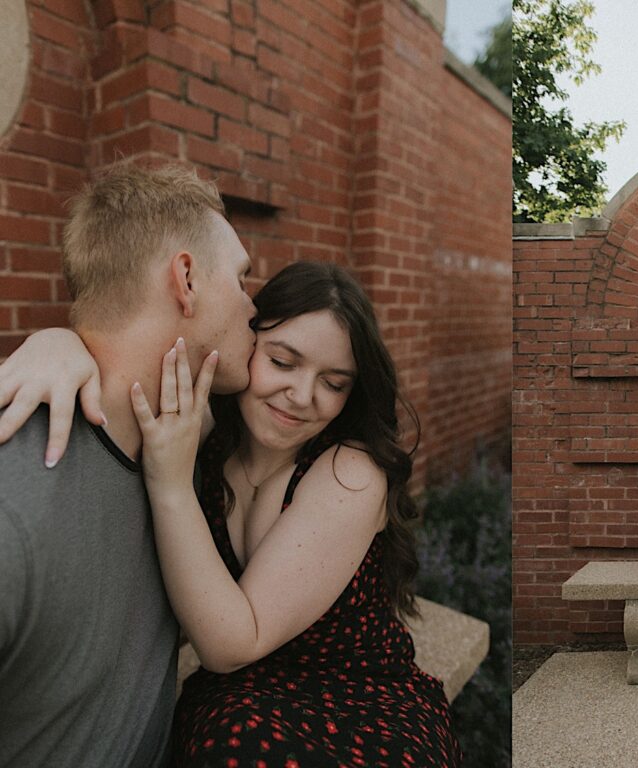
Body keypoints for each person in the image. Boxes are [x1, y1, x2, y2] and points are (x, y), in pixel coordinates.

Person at [2, 262, 461, 765]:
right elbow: (121, 381)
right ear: (247, 347)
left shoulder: (348, 472)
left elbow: (233, 642)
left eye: (333, 382)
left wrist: (172, 484)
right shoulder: (208, 435)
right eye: (282, 362)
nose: (302, 396)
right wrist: (57, 344)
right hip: (241, 697)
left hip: (361, 700)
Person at [0, 161, 258, 766]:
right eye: (243, 279)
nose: (254, 308)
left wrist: (57, 339)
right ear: (186, 279)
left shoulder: (181, 432)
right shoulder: (15, 505)